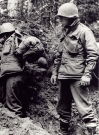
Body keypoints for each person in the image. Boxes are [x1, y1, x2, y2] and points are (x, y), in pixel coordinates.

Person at [50, 2, 99, 135]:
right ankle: (63, 132)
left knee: (84, 107)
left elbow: (93, 54)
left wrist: (87, 74)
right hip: (63, 76)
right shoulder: (65, 31)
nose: (59, 20)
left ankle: (92, 132)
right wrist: (54, 72)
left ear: (70, 17)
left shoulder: (84, 31)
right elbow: (59, 54)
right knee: (63, 106)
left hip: (78, 77)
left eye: (62, 17)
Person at [0, 22, 45, 118]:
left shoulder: (17, 39)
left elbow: (33, 42)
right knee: (9, 100)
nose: (3, 37)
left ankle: (18, 124)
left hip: (14, 75)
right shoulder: (8, 42)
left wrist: (22, 53)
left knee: (13, 103)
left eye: (3, 35)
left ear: (7, 33)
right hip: (9, 75)